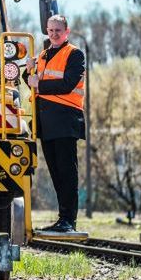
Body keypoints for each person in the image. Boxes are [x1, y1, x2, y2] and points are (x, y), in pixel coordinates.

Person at [24, 14, 85, 233]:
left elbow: (68, 83)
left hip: (65, 120)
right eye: (50, 30)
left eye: (58, 30)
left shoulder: (75, 54)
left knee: (67, 173)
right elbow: (31, 80)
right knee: (56, 173)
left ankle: (69, 220)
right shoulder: (43, 54)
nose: (53, 34)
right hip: (46, 123)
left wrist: (38, 85)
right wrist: (28, 69)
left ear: (66, 31)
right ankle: (63, 218)